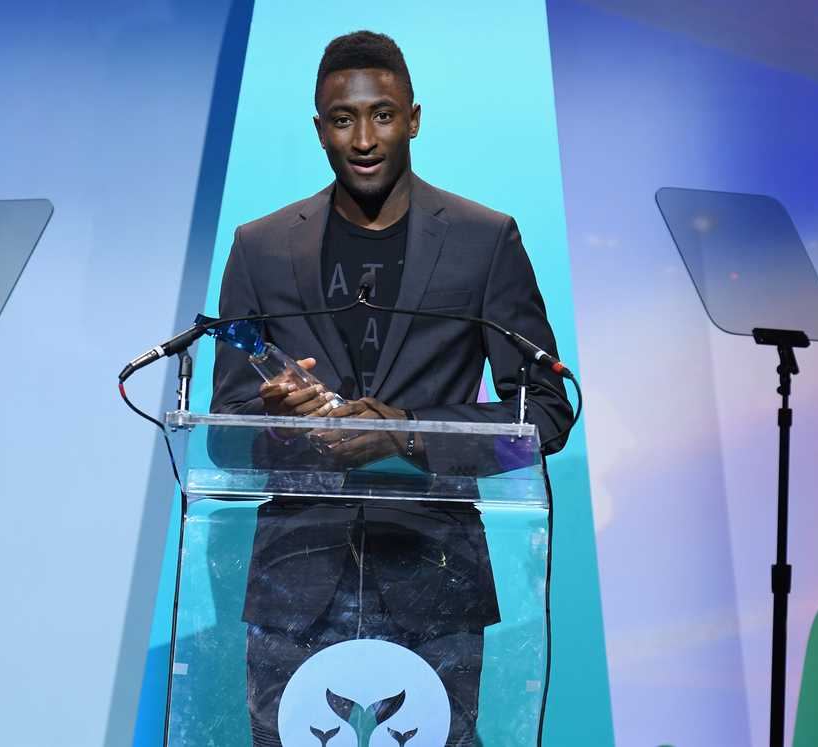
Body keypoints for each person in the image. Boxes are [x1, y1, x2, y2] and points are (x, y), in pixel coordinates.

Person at [210, 30, 571, 746]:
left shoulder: (483, 239)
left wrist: (408, 431)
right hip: (294, 583)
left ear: (413, 118)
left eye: (383, 114)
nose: (364, 137)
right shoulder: (261, 245)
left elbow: (546, 415)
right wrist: (278, 423)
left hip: (435, 576)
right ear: (320, 129)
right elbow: (222, 435)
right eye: (343, 120)